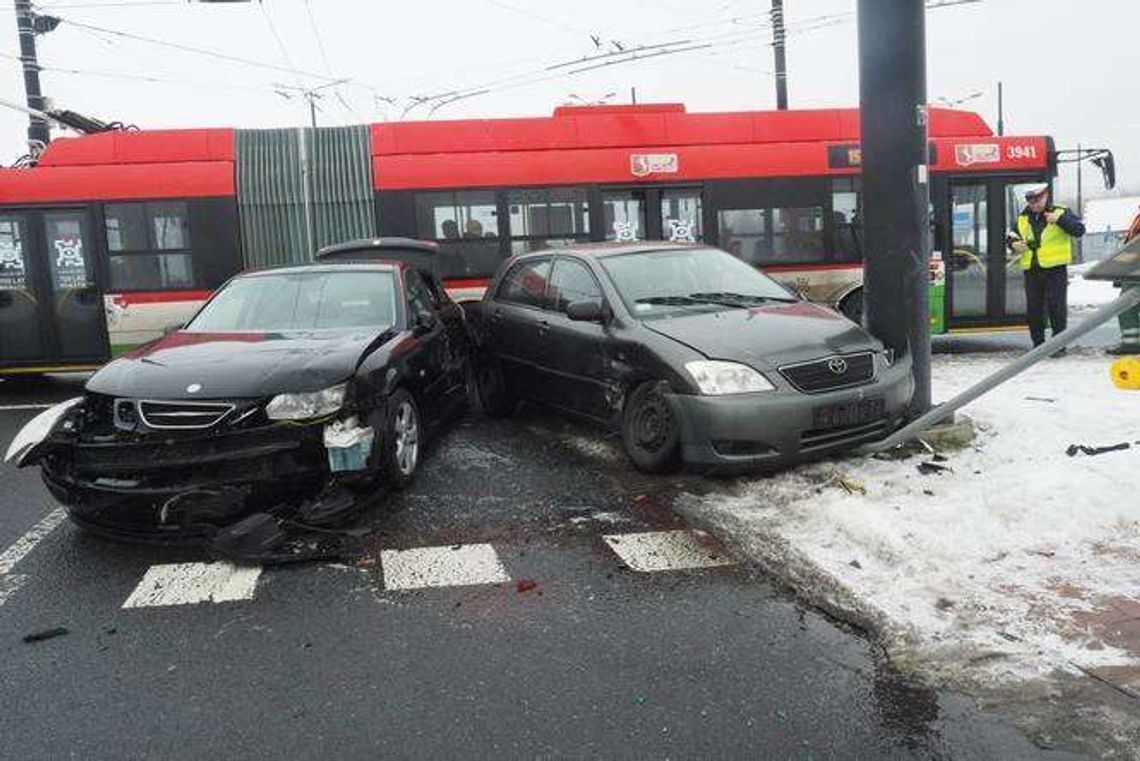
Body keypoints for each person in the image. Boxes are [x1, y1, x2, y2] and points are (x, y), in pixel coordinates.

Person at [1009, 184, 1085, 350]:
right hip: (1032, 269)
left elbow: (1079, 230)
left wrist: (1059, 220)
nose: (1034, 203)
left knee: (1056, 308)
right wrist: (1013, 244)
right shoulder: (1023, 217)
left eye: (1037, 199)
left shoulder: (1061, 211)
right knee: (1034, 311)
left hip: (1055, 270)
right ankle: (1038, 346)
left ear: (1046, 196)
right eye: (1030, 200)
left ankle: (1059, 346)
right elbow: (1011, 235)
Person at [1107, 205, 1140, 355]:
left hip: (1136, 271)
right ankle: (1131, 342)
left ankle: (1131, 344)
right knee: (1127, 306)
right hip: (1132, 269)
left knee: (1126, 305)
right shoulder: (1138, 217)